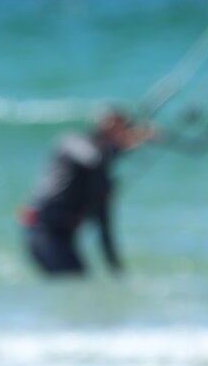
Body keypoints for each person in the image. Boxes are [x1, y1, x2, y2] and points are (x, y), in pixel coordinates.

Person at [17, 109, 154, 277]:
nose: (125, 134)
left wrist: (119, 273)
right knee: (72, 278)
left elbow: (105, 231)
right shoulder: (73, 141)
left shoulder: (102, 181)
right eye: (122, 128)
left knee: (80, 279)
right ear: (105, 124)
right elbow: (94, 157)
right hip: (43, 228)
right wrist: (126, 144)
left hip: (65, 236)